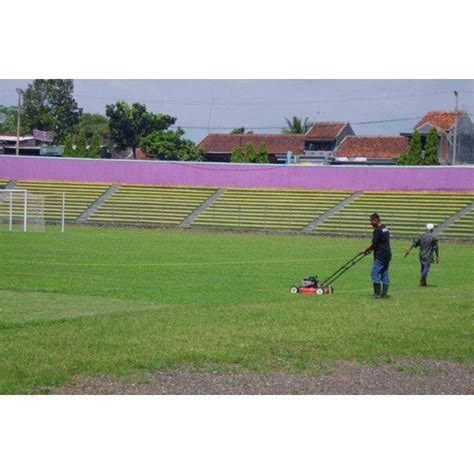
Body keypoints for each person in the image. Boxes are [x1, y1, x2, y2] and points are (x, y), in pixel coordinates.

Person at [362, 213, 392, 298]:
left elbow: (374, 244)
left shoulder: (377, 230)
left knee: (374, 273)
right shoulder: (385, 228)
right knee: (384, 273)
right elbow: (380, 242)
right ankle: (384, 294)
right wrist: (371, 250)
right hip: (387, 254)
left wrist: (366, 250)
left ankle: (377, 294)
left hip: (381, 255)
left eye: (371, 221)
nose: (370, 223)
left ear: (375, 220)